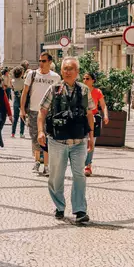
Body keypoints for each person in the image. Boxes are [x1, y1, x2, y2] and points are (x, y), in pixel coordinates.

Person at [38, 57, 95, 224]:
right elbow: (42, 111)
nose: (68, 71)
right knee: (56, 176)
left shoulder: (84, 90)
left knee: (79, 175)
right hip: (57, 141)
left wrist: (91, 136)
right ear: (61, 71)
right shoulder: (54, 89)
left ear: (77, 72)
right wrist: (40, 132)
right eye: (65, 69)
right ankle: (59, 206)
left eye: (71, 69)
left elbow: (89, 113)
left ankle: (80, 210)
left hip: (79, 141)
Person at [20, 52, 60, 175]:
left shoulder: (56, 77)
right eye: (40, 61)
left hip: (49, 112)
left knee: (47, 137)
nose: (41, 63)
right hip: (33, 110)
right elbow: (25, 92)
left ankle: (46, 165)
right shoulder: (32, 75)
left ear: (50, 62)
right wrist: (22, 109)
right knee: (35, 137)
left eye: (43, 61)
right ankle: (37, 160)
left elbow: (58, 96)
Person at [82, 72, 109, 176]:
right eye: (83, 78)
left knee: (91, 143)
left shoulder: (97, 91)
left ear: (93, 80)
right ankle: (82, 164)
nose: (85, 80)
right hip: (82, 119)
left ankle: (88, 165)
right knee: (83, 143)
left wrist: (105, 115)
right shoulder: (80, 90)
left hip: (94, 119)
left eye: (87, 78)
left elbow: (103, 105)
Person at [11, 66, 25, 138]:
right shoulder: (23, 81)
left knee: (15, 117)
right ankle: (21, 133)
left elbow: (12, 89)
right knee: (22, 117)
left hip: (16, 100)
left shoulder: (12, 81)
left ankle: (13, 133)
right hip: (22, 100)